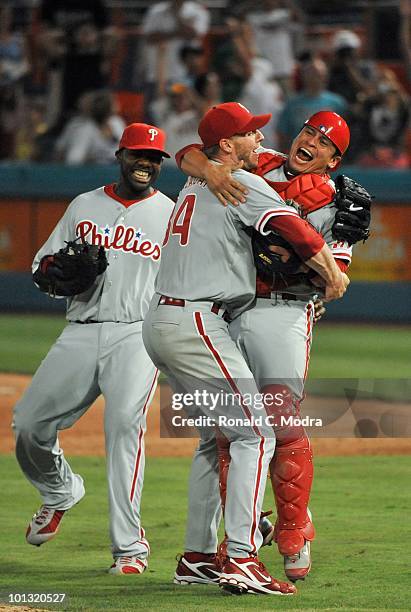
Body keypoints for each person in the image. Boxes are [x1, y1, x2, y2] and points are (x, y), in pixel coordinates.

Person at [142, 102, 349, 596]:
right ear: (230, 147)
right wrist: (333, 274)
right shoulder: (244, 181)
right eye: (251, 135)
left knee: (217, 439)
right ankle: (241, 556)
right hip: (200, 320)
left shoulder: (203, 180)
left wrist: (208, 163)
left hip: (172, 317)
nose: (263, 140)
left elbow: (191, 153)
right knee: (256, 432)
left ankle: (196, 556)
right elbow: (295, 230)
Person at [12, 123, 175, 575]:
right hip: (80, 329)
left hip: (137, 334)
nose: (147, 163)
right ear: (120, 155)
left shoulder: (171, 213)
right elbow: (42, 263)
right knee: (28, 423)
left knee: (124, 427)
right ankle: (59, 490)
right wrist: (53, 270)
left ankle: (130, 550)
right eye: (139, 154)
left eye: (155, 157)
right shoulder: (84, 204)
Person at [277, 57, 347, 151]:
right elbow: (283, 134)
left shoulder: (337, 103)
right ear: (304, 76)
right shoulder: (292, 104)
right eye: (312, 74)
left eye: (319, 74)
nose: (315, 78)